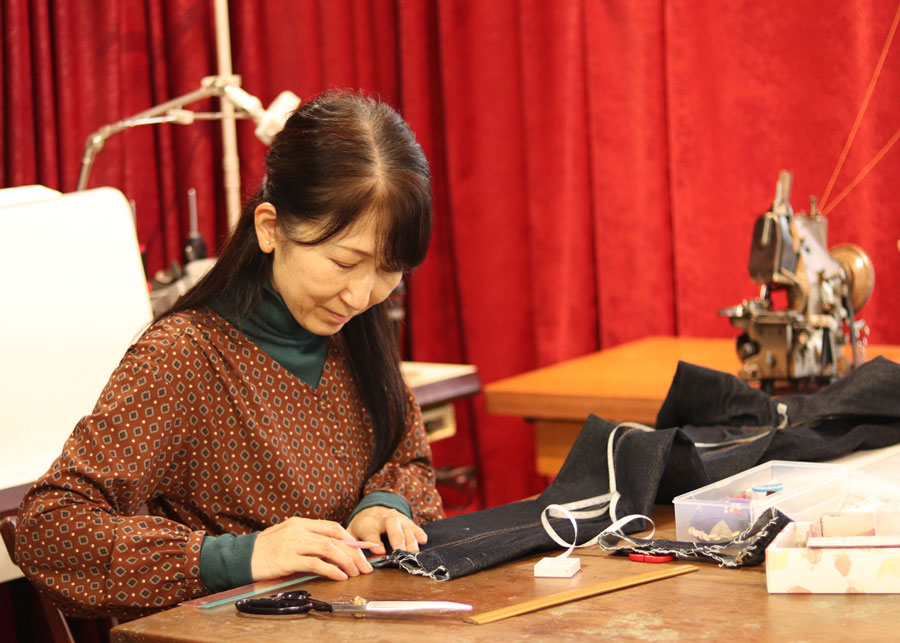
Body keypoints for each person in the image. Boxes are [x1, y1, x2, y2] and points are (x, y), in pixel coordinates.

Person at [15, 91, 444, 618]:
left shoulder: (353, 330)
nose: (361, 295)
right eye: (342, 262)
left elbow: (407, 457)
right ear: (270, 229)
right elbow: (50, 529)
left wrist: (385, 506)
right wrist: (239, 556)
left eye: (388, 269)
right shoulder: (183, 357)